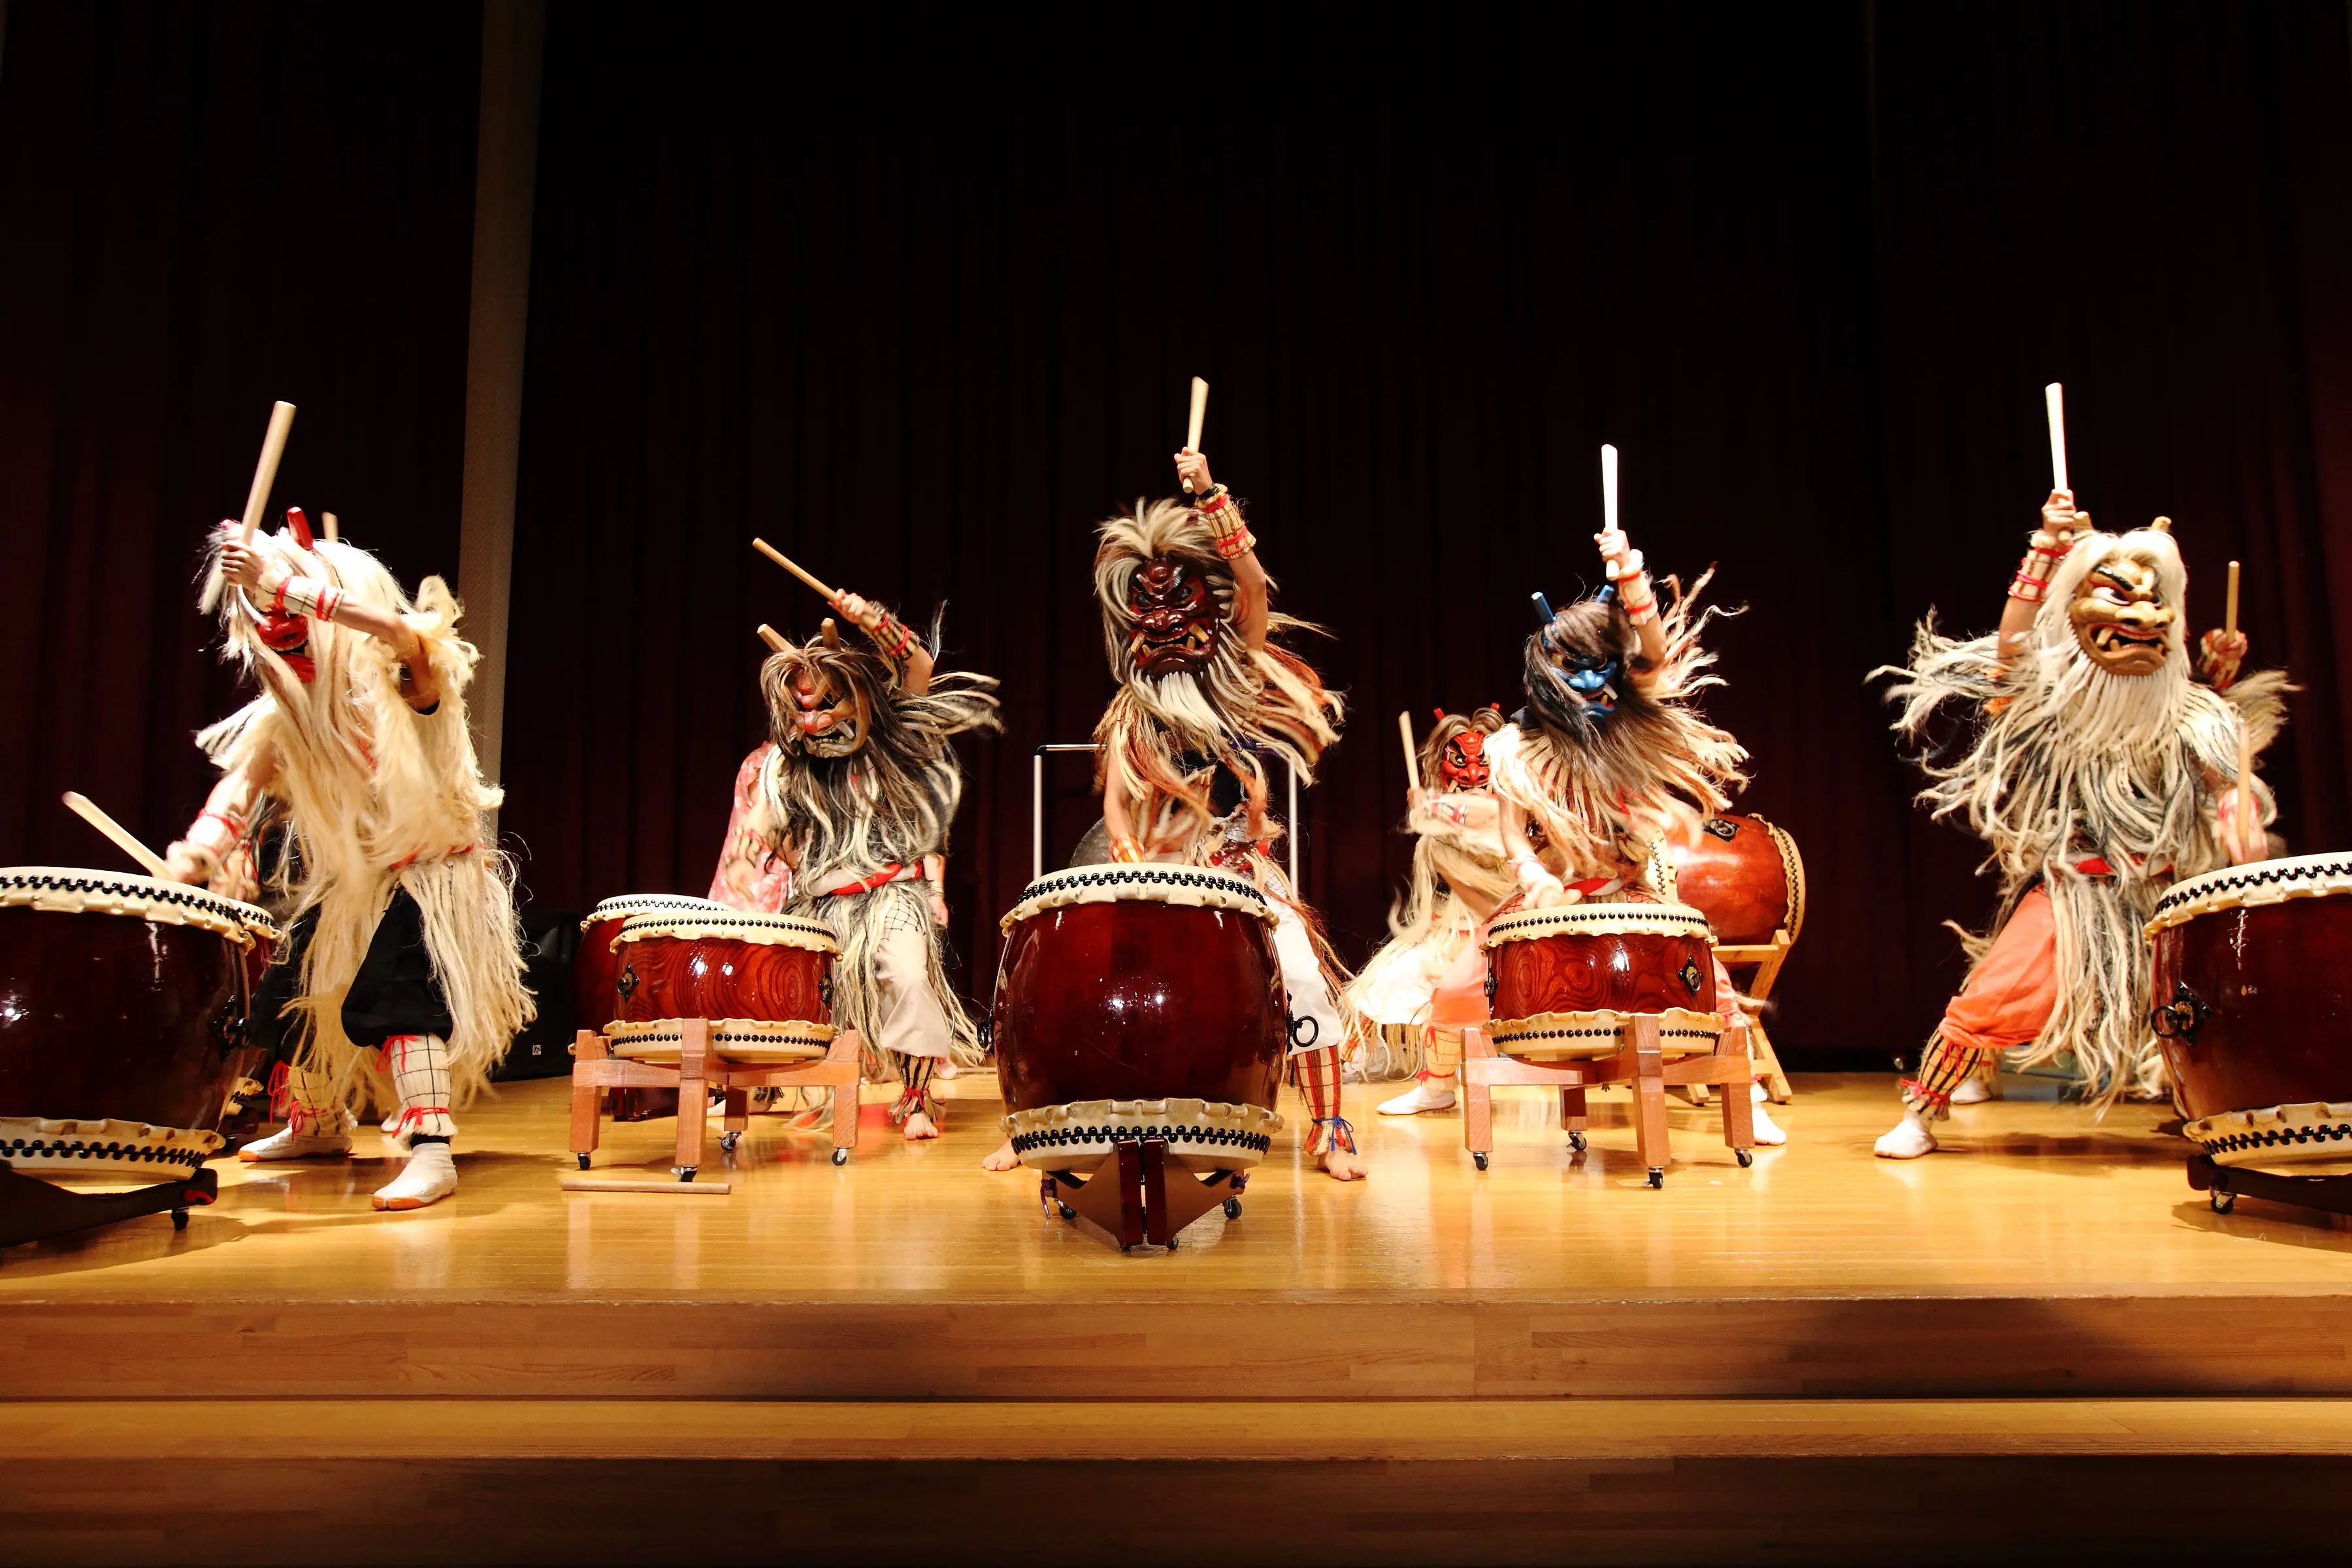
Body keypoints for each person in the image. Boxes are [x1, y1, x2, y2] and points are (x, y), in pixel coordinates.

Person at [983, 445, 1364, 1179]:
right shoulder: (1130, 713)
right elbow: (1119, 808)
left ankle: (1332, 1127)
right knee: (1073, 986)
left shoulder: (1235, 680)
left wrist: (1213, 495)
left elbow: (1252, 583)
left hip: (1234, 869)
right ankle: (1034, 1125)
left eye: (1177, 600)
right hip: (1150, 874)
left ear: (1211, 608)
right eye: (1145, 605)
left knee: (1303, 979)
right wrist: (1128, 856)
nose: (1160, 618)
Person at [1873, 493, 2283, 1158]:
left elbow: (2225, 783)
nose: (2138, 618)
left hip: (2164, 895)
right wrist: (2041, 554)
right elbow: (2010, 655)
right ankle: (1923, 1110)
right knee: (1999, 995)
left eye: (2154, 605)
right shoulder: (2053, 711)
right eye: (2116, 599)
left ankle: (2219, 1109)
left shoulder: (2191, 715)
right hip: (2077, 892)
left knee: (2204, 1010)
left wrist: (2239, 820)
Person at [163, 507, 530, 1211]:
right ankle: (319, 1124)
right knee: (293, 995)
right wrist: (201, 849)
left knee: (400, 999)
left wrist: (283, 584)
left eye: (294, 625)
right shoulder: (293, 717)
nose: (284, 639)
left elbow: (402, 633)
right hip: (356, 882)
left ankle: (431, 1150)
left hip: (430, 875)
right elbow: (241, 784)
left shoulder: (404, 678)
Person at [1486, 515, 1783, 1143]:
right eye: (1576, 668)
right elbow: (1514, 833)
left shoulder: (1629, 719)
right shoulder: (1516, 747)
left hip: (1632, 890)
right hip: (1553, 898)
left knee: (1708, 988)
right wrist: (1532, 873)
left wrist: (1630, 576)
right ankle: (1442, 1082)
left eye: (1604, 667)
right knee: (1469, 981)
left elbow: (1653, 651)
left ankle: (1745, 1094)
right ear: (1547, 671)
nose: (1594, 683)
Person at [752, 591, 998, 1140]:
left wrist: (872, 620)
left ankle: (916, 1098)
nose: (814, 722)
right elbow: (778, 837)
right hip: (823, 903)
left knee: (909, 980)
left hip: (892, 896)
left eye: (826, 705)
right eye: (802, 711)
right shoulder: (785, 768)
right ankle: (829, 1097)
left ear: (855, 696)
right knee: (823, 1004)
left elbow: (918, 665)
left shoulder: (892, 740)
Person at [1350, 708, 1514, 1117]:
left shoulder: (1512, 807)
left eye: (1483, 762)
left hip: (1508, 924)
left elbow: (1493, 823)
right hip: (1453, 927)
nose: (1474, 772)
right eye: (1461, 760)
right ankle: (1421, 1082)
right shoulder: (1438, 832)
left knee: (1458, 995)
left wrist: (1436, 807)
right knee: (1386, 990)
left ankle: (1467, 1075)